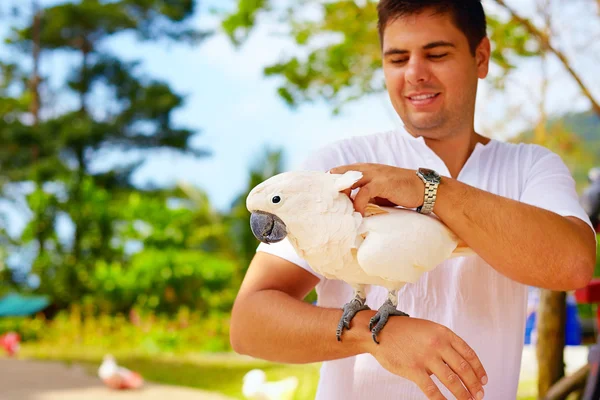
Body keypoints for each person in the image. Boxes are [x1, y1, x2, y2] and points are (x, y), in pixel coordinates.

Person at [229, 1, 597, 399]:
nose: (415, 74)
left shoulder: (530, 167)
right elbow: (249, 325)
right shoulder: (334, 170)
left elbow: (573, 265)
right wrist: (374, 334)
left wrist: (427, 190)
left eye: (436, 54)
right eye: (397, 58)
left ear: (481, 57)